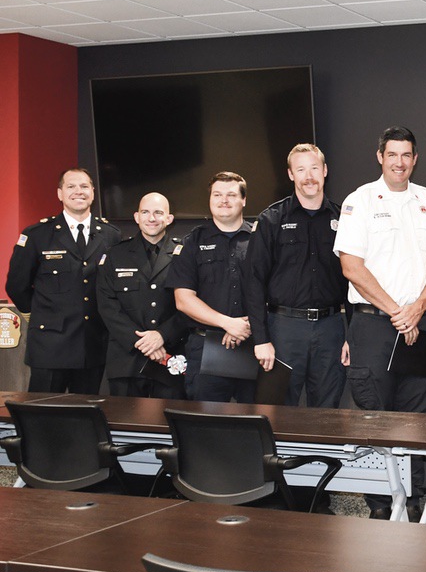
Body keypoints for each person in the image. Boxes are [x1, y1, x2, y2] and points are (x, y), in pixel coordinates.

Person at [334, 126, 426, 521]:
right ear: (380, 157)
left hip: (420, 323)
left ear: (415, 159)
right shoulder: (360, 201)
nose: (399, 162)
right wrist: (396, 311)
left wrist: (419, 306)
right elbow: (351, 266)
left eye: (406, 155)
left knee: (417, 418)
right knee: (378, 417)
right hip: (374, 326)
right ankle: (384, 505)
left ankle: (419, 502)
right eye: (392, 155)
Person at [246, 144, 349, 408]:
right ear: (291, 175)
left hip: (331, 330)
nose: (309, 176)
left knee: (327, 411)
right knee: (279, 409)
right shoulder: (271, 219)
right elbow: (253, 282)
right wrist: (261, 340)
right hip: (283, 329)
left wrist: (352, 336)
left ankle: (322, 452)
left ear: (325, 171)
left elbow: (354, 280)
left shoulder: (346, 219)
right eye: (301, 169)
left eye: (314, 168)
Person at [5, 168, 120, 394]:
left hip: (92, 344)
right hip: (50, 345)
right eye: (71, 186)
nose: (79, 192)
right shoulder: (38, 234)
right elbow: (16, 285)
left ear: (93, 193)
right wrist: (41, 314)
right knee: (41, 416)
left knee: (84, 418)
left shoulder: (110, 235)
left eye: (84, 186)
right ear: (60, 193)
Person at [167, 172, 258, 403]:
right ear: (210, 199)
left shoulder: (260, 240)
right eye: (217, 194)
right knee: (205, 426)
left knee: (256, 422)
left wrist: (244, 326)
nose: (223, 200)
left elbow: (274, 289)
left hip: (254, 344)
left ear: (244, 200)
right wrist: (228, 323)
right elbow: (183, 300)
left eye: (231, 195)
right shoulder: (192, 242)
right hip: (206, 347)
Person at [96, 192, 188, 399]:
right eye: (145, 212)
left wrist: (162, 335)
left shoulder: (185, 254)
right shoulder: (114, 255)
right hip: (126, 360)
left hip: (169, 356)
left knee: (168, 424)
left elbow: (192, 303)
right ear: (136, 217)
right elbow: (107, 306)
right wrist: (143, 343)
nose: (151, 218)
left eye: (158, 212)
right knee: (124, 424)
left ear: (169, 219)